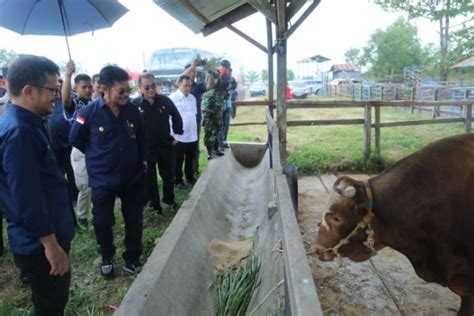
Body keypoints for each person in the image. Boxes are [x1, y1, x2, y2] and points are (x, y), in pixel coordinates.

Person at [0, 54, 75, 315]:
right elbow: (27, 198)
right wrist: (51, 246)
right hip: (40, 245)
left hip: (43, 238)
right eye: (53, 89)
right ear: (29, 91)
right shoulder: (20, 132)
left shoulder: (27, 124)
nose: (57, 94)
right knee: (50, 307)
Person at [69, 65, 146, 278]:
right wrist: (99, 157)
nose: (126, 95)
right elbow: (75, 139)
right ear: (104, 88)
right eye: (121, 91)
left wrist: (143, 160)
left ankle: (132, 257)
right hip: (102, 179)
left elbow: (141, 138)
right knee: (102, 221)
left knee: (134, 218)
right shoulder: (88, 113)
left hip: (131, 177)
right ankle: (106, 256)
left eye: (127, 90)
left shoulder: (132, 111)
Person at [132, 73, 183, 212]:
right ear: (140, 88)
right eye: (147, 87)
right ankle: (155, 205)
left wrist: (176, 134)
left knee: (168, 175)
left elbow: (177, 117)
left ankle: (169, 199)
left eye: (153, 86)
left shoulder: (165, 101)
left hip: (165, 145)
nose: (151, 90)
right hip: (146, 149)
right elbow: (127, 125)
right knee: (150, 179)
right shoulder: (134, 105)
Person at [62, 61, 93, 229]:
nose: (88, 90)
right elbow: (65, 98)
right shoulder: (74, 104)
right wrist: (68, 75)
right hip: (80, 151)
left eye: (90, 87)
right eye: (84, 87)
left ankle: (98, 213)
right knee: (85, 186)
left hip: (95, 148)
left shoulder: (95, 104)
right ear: (76, 88)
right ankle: (82, 217)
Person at [181, 59, 215, 176]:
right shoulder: (179, 86)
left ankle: (192, 170)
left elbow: (210, 85)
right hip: (181, 122)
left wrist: (209, 71)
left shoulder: (197, 86)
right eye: (191, 71)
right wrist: (192, 65)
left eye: (194, 71)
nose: (193, 73)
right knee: (180, 149)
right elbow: (182, 77)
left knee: (194, 146)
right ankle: (178, 176)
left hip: (195, 121)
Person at [169, 75, 198, 187]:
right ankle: (178, 180)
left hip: (192, 135)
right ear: (179, 85)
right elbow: (169, 119)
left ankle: (190, 177)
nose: (188, 88)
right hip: (179, 136)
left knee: (190, 158)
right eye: (185, 85)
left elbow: (193, 115)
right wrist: (172, 135)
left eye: (190, 86)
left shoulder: (192, 98)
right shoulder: (172, 98)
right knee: (178, 159)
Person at [201, 74, 231, 159]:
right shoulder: (208, 91)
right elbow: (203, 106)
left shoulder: (221, 90)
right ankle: (209, 152)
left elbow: (226, 93)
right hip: (208, 116)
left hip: (218, 115)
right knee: (208, 134)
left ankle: (216, 150)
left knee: (217, 132)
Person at [220, 68, 238, 151]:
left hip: (228, 104)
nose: (228, 73)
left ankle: (224, 140)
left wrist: (231, 82)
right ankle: (220, 142)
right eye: (227, 71)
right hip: (220, 104)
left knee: (226, 124)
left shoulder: (231, 79)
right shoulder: (220, 78)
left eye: (230, 71)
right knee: (220, 124)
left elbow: (234, 87)